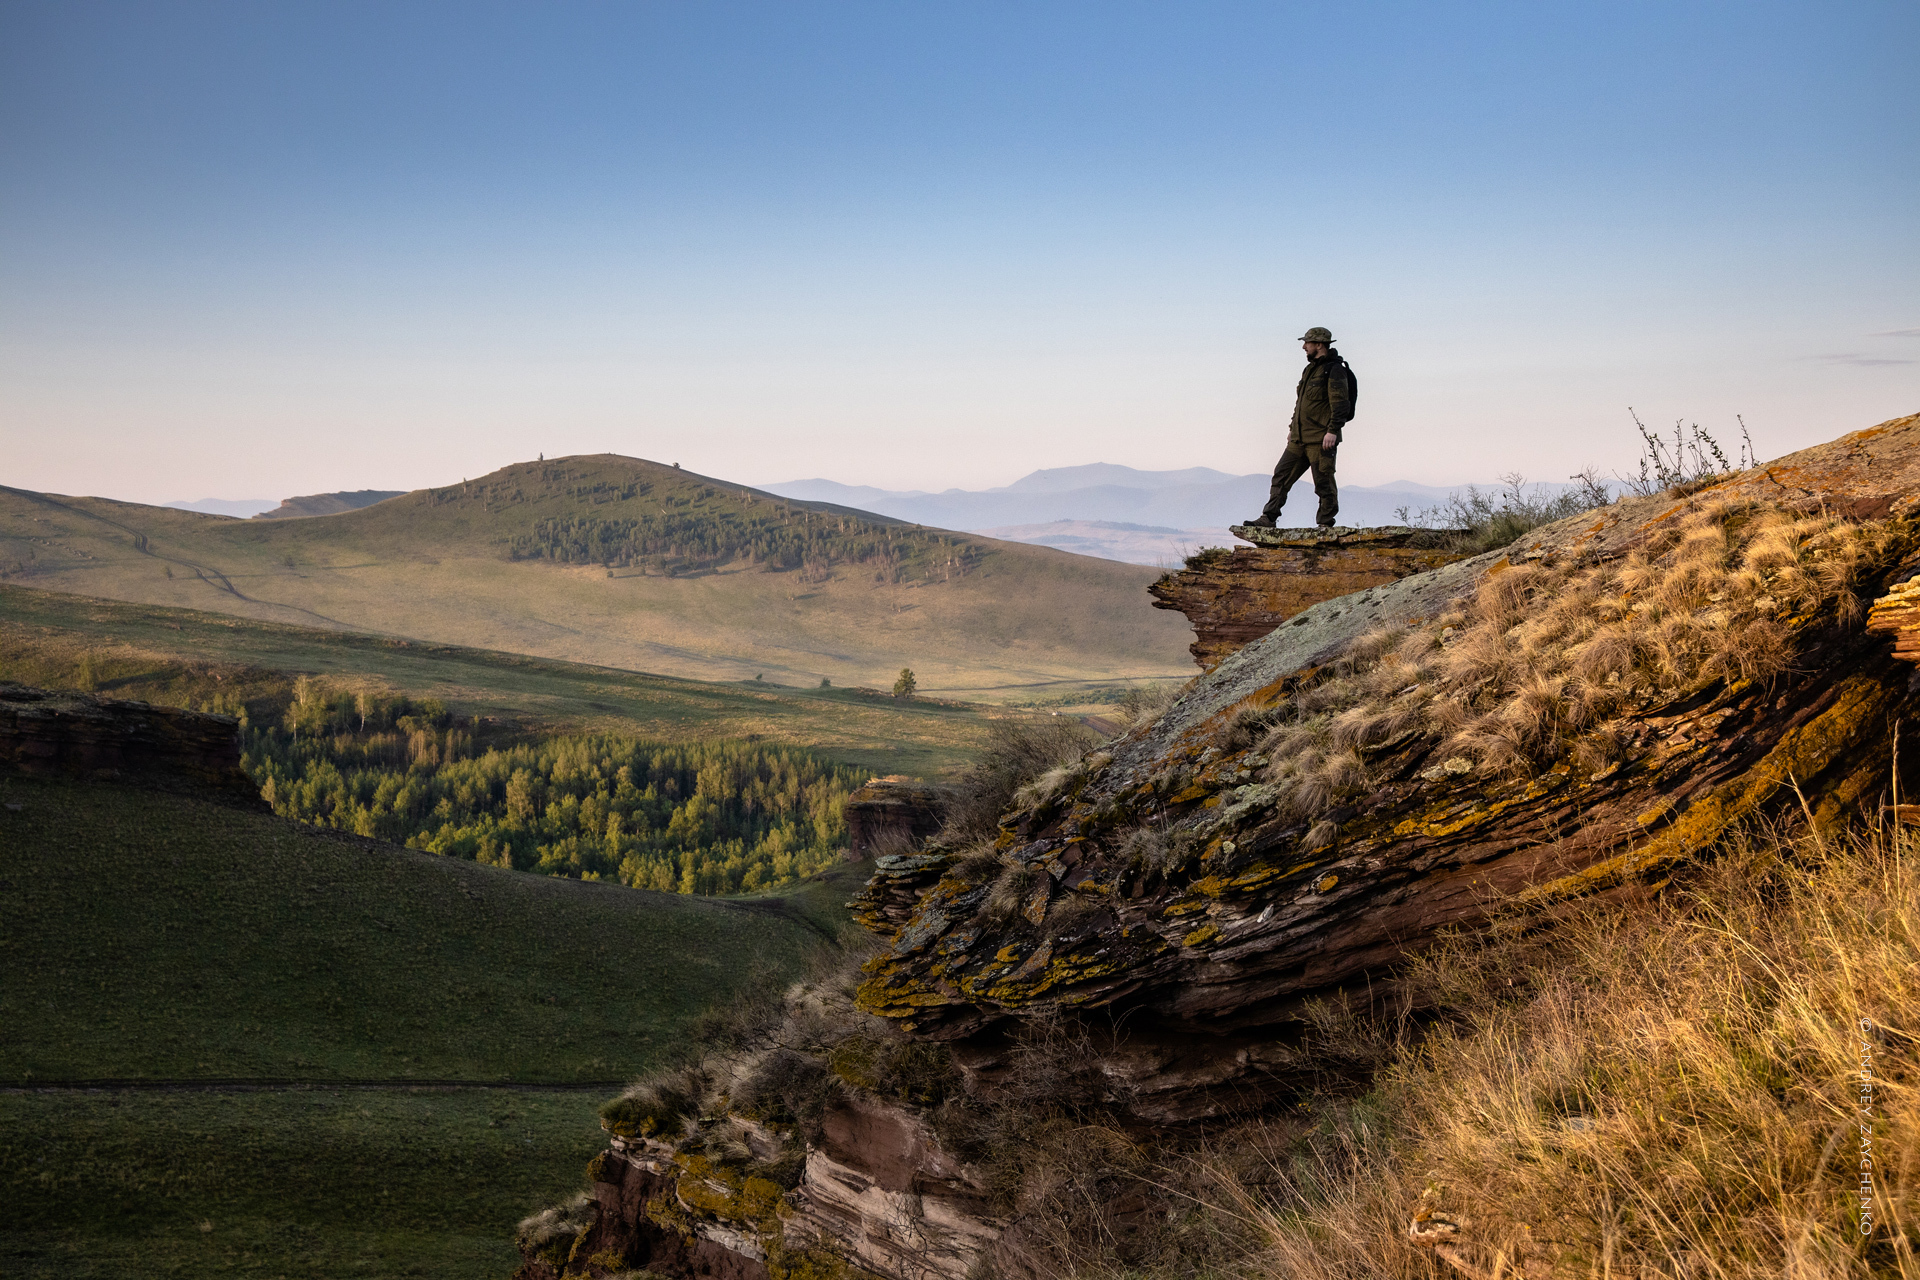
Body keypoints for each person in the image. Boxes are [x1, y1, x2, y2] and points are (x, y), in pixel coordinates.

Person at [1244, 327, 1352, 529]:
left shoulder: (1334, 369)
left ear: (1319, 344)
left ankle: (1325, 525)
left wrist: (1333, 431)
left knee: (1323, 483)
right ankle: (1268, 518)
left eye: (1307, 343)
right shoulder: (1310, 370)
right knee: (1281, 475)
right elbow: (1301, 403)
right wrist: (1292, 428)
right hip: (1298, 438)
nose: (1304, 347)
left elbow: (1340, 404)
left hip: (1321, 439)